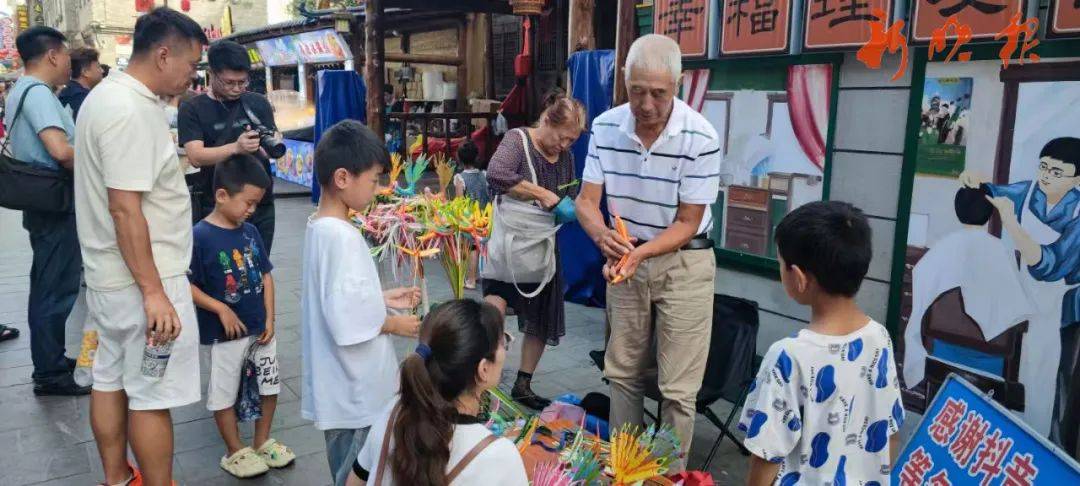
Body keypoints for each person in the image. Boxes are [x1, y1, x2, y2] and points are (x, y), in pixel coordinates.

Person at [74, 8, 208, 485]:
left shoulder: (108, 98)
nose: (194, 76)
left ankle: (117, 477)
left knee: (111, 380)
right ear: (163, 53)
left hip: (111, 280)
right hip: (143, 281)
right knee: (153, 394)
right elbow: (124, 209)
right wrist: (153, 292)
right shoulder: (128, 109)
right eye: (191, 64)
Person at [575, 34, 721, 461]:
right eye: (636, 91)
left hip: (685, 260)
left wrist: (636, 254)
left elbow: (688, 221)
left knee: (678, 388)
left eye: (659, 93)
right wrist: (604, 238)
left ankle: (667, 473)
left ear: (680, 83)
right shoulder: (604, 126)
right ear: (624, 80)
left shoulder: (701, 136)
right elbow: (587, 201)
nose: (646, 104)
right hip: (626, 252)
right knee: (622, 372)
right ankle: (624, 466)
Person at [741, 201, 903, 486]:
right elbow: (890, 431)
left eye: (782, 264)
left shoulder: (788, 356)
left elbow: (766, 455)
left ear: (800, 278)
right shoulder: (880, 337)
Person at [302, 119, 422, 486]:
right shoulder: (342, 238)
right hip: (355, 391)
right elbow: (346, 321)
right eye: (373, 180)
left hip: (340, 387)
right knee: (358, 475)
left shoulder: (319, 227)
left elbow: (335, 300)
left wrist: (379, 299)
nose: (377, 189)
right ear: (342, 178)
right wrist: (394, 323)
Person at [963, 136, 1080, 452]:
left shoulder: (1078, 214)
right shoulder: (1029, 191)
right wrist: (977, 184)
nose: (1046, 176)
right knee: (1023, 371)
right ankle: (1020, 442)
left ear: (1077, 179)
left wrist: (1012, 222)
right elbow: (995, 193)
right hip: (1026, 298)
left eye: (1057, 172)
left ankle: (1048, 451)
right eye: (1044, 167)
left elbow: (1049, 267)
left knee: (1052, 379)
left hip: (1061, 306)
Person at [188, 155, 295, 478]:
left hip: (259, 329)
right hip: (224, 335)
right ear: (222, 195)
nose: (252, 210)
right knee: (224, 389)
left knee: (269, 384)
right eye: (248, 203)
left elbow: (266, 276)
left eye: (256, 204)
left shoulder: (250, 232)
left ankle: (262, 441)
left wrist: (271, 319)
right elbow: (185, 284)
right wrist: (220, 308)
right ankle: (235, 449)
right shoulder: (200, 235)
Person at [345, 299, 528, 486]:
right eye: (503, 341)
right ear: (483, 369)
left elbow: (354, 482)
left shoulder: (393, 413)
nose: (505, 349)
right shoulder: (498, 456)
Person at [483, 92, 584, 410]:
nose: (565, 145)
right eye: (562, 137)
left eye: (572, 141)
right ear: (546, 121)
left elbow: (571, 189)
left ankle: (523, 384)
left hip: (542, 245)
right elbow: (496, 174)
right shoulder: (518, 140)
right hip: (509, 242)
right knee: (492, 313)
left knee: (542, 315)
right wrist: (540, 193)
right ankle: (484, 383)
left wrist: (569, 204)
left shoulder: (566, 157)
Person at [5, 26, 84, 395]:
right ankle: (50, 373)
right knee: (55, 288)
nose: (69, 61)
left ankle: (51, 357)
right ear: (53, 55)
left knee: (47, 283)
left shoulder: (23, 88)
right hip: (55, 205)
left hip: (43, 203)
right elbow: (60, 150)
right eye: (66, 54)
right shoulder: (37, 93)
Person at [180, 39, 279, 249]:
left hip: (259, 204)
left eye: (242, 82)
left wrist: (272, 143)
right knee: (223, 270)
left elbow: (272, 140)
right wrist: (236, 148)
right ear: (213, 74)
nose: (237, 88)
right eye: (229, 82)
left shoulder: (257, 103)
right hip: (217, 205)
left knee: (258, 268)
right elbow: (196, 156)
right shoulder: (193, 108)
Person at [452, 140, 488, 289]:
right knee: (482, 247)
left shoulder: (460, 178)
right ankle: (481, 276)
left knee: (472, 248)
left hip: (470, 219)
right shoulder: (484, 175)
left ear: (459, 159)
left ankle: (471, 280)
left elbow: (460, 201)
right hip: (485, 215)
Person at [58, 46, 104, 121]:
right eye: (98, 67)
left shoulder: (66, 92)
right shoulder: (84, 99)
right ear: (85, 72)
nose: (102, 71)